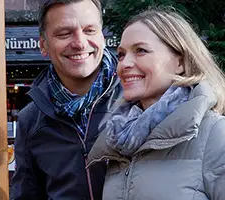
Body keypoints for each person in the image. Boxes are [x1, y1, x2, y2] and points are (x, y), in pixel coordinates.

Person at [86, 8, 225, 199]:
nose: (125, 64)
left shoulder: (216, 135)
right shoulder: (118, 140)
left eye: (141, 51)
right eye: (121, 54)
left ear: (181, 62)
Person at [12, 0, 122, 199]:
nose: (80, 43)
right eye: (64, 33)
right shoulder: (30, 119)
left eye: (90, 30)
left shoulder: (138, 98)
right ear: (43, 45)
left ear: (103, 37)